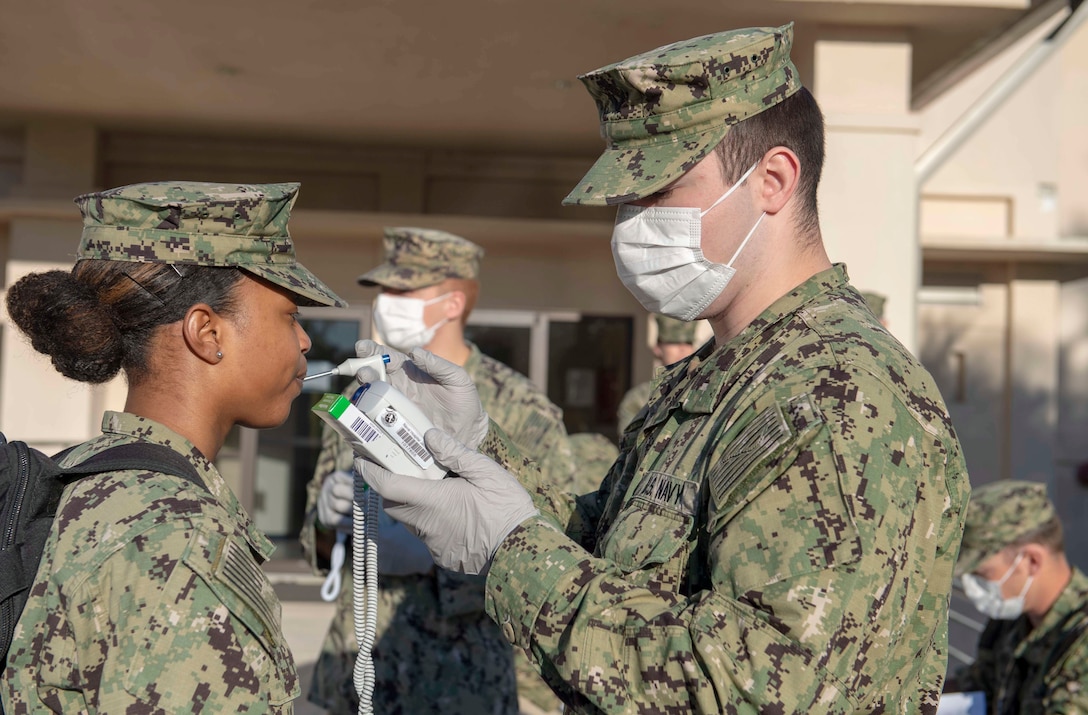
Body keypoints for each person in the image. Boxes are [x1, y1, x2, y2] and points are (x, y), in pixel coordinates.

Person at [352, 22, 970, 713]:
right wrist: (475, 450)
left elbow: (752, 686)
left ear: (772, 179)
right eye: (624, 200)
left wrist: (510, 553)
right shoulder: (726, 371)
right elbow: (607, 543)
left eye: (659, 191)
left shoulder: (840, 394)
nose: (629, 224)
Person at [0, 181, 345, 712]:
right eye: (289, 314)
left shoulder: (80, 475)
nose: (304, 341)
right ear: (207, 332)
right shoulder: (179, 537)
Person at [300, 227, 572, 714]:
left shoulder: (521, 408)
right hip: (358, 670)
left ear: (452, 303)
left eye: (403, 291)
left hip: (459, 682)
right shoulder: (365, 389)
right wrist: (328, 525)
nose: (386, 302)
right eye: (383, 291)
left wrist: (438, 563)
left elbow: (557, 542)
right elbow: (316, 545)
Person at [944, 480, 1088, 713]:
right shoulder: (1009, 624)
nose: (972, 587)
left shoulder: (1080, 641)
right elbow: (975, 687)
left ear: (1032, 561)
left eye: (981, 573)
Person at [615, 313, 698, 433]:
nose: (682, 348)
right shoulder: (639, 398)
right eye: (673, 342)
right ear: (658, 348)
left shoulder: (703, 387)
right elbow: (629, 443)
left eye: (688, 343)